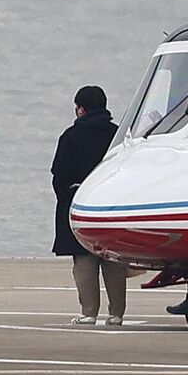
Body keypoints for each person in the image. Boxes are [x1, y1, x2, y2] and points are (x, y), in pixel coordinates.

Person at [53, 85, 125, 326]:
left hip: (80, 205)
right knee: (113, 262)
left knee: (84, 262)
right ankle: (116, 314)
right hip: (114, 205)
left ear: (81, 109)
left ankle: (89, 312)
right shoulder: (118, 135)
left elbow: (59, 175)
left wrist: (67, 196)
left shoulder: (70, 137)